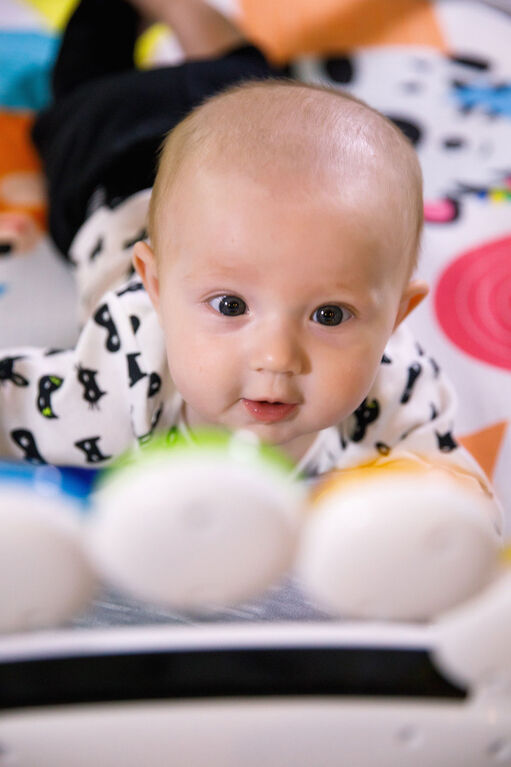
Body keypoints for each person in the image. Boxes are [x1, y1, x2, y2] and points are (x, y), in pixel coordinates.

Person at [0, 0, 500, 525]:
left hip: (229, 162)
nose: (277, 357)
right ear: (154, 284)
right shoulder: (127, 377)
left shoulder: (394, 388)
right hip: (112, 157)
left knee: (256, 91)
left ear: (397, 315)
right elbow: (17, 401)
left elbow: (461, 500)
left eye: (329, 315)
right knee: (89, 82)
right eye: (230, 305)